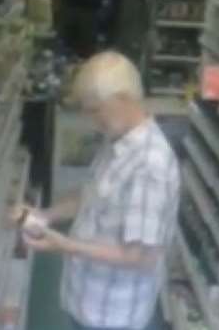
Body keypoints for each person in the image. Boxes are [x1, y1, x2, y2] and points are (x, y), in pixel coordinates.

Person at [14, 51, 181, 330]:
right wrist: (45, 215)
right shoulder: (117, 139)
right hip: (87, 300)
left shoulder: (150, 165)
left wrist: (66, 245)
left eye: (95, 109)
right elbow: (93, 194)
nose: (91, 119)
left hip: (112, 317)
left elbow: (141, 257)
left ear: (123, 99)